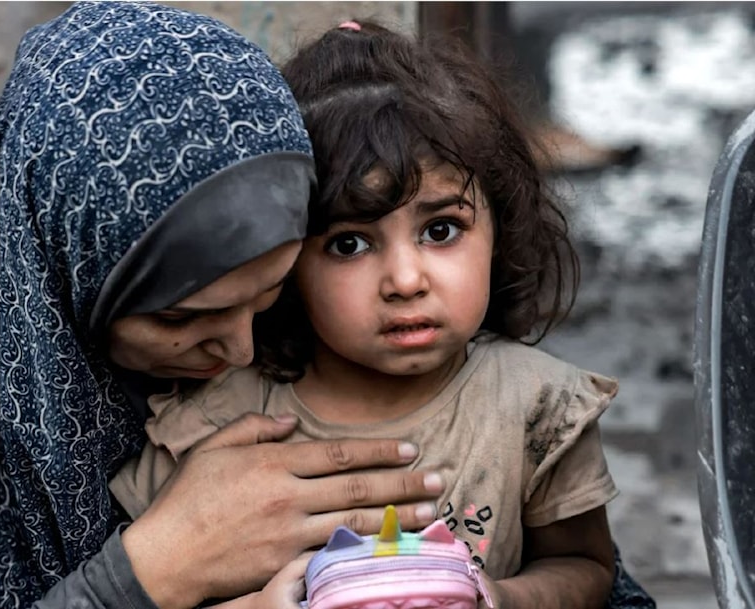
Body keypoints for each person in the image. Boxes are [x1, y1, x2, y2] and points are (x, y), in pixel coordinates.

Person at [0, 5, 447, 609]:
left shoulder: (322, 315)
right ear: (65, 266)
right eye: (181, 320)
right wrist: (150, 570)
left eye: (267, 297)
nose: (241, 350)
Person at [110, 20, 653, 609]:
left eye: (440, 230)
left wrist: (499, 598)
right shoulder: (221, 422)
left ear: (499, 232)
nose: (405, 281)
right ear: (287, 262)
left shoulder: (536, 408)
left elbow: (585, 566)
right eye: (349, 244)